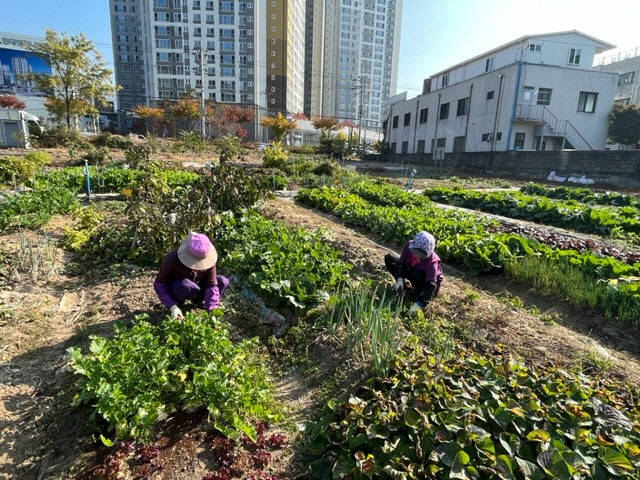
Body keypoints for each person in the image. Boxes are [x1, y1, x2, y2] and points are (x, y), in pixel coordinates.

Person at [154, 232, 229, 319]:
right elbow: (160, 283)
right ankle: (178, 305)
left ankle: (199, 300)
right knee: (186, 285)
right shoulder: (172, 259)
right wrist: (172, 306)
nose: (197, 267)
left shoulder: (209, 259)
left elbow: (211, 285)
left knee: (222, 281)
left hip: (197, 286)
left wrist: (212, 311)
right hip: (178, 288)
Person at [385, 231, 443, 315]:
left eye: (420, 254)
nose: (416, 255)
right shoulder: (409, 246)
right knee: (390, 258)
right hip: (412, 268)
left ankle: (417, 293)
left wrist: (419, 304)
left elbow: (431, 285)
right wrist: (400, 279)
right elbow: (400, 263)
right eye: (414, 252)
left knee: (418, 276)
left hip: (424, 279)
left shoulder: (432, 263)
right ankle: (402, 288)